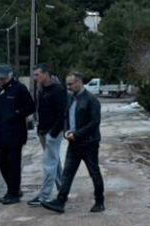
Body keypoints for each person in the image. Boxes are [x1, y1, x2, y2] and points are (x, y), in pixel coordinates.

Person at [43, 72, 104, 214]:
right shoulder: (71, 99)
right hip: (74, 143)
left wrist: (77, 134)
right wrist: (66, 132)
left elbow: (94, 123)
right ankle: (60, 201)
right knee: (67, 173)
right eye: (67, 84)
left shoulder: (91, 100)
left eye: (70, 84)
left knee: (94, 172)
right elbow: (66, 118)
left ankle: (99, 201)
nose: (68, 87)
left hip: (89, 143)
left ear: (79, 82)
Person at [0, 65, 35, 204]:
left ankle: (13, 193)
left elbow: (30, 107)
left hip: (14, 133)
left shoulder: (19, 88)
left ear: (10, 76)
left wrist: (16, 114)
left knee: (13, 164)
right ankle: (12, 188)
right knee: (3, 164)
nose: (0, 80)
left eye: (3, 78)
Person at [29, 66, 67, 206]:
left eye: (37, 74)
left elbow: (62, 113)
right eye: (34, 75)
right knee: (54, 162)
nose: (35, 77)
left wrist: (53, 132)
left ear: (46, 74)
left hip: (53, 132)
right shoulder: (40, 89)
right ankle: (63, 190)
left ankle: (45, 196)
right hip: (43, 131)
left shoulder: (58, 90)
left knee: (49, 164)